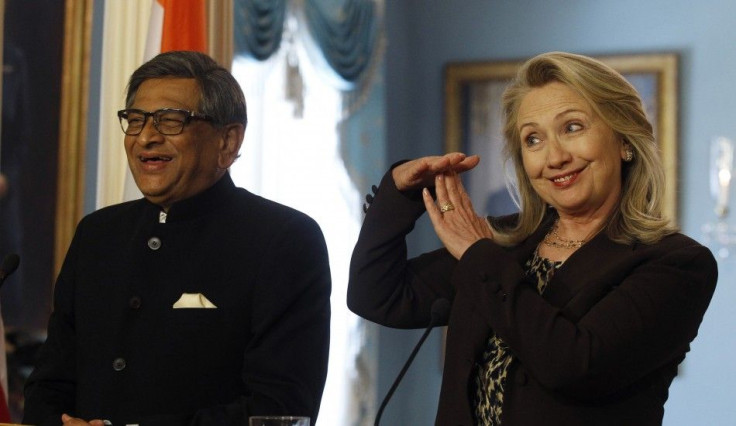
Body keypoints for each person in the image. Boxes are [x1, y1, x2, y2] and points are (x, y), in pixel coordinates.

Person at [348, 51, 717, 425]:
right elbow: (377, 295)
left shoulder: (676, 264)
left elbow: (574, 366)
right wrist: (399, 193)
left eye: (572, 127)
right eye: (533, 139)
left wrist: (476, 253)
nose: (553, 157)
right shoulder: (507, 241)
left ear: (624, 141)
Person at [23, 51, 331, 426]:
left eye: (170, 121)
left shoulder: (284, 240)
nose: (146, 138)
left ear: (227, 142)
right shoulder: (97, 235)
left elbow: (280, 409)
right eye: (135, 121)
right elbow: (48, 385)